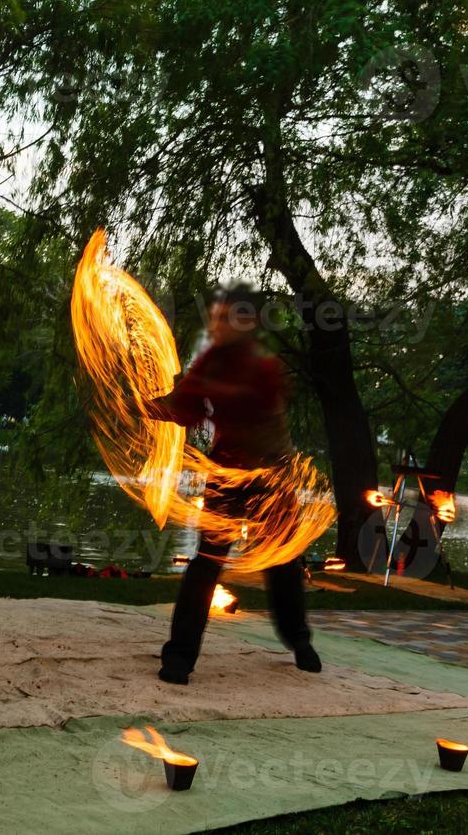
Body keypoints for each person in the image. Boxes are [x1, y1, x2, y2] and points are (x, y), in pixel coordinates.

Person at [143, 286, 320, 684]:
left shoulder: (264, 364)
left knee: (282, 563)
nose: (219, 325)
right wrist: (142, 406)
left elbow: (248, 397)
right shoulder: (210, 363)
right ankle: (179, 658)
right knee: (206, 563)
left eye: (229, 319)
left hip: (271, 478)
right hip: (226, 476)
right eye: (217, 318)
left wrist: (203, 386)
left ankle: (299, 640)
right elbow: (184, 409)